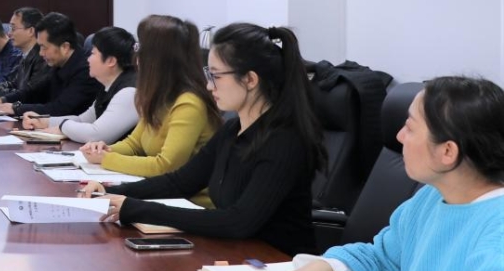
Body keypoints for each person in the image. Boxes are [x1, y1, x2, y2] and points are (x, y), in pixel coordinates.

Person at [283, 76, 504, 271]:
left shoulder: (498, 228)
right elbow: (385, 259)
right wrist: (330, 267)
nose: (399, 136)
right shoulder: (430, 197)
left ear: (447, 152)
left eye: (410, 127)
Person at [89, 23, 325, 256]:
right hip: (236, 254)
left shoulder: (284, 141)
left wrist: (137, 208)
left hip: (278, 264)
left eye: (216, 76)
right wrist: (111, 191)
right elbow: (181, 182)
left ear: (250, 80)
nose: (209, 86)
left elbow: (238, 221)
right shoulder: (232, 130)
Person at [80, 15, 219, 183]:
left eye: (141, 47)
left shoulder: (189, 103)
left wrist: (106, 159)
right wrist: (104, 149)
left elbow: (166, 166)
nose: (137, 56)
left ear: (158, 58)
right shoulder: (160, 95)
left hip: (186, 196)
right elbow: (134, 144)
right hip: (157, 188)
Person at [23, 26, 138, 144]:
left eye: (93, 53)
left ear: (111, 61)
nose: (88, 59)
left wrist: (62, 127)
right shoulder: (108, 86)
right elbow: (83, 120)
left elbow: (97, 134)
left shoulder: (129, 92)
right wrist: (44, 122)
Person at [0, 12, 101, 117]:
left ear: (65, 47)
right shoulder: (59, 63)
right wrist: (3, 100)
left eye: (44, 47)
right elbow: (34, 91)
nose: (41, 53)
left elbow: (60, 108)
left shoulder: (86, 71)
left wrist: (15, 108)